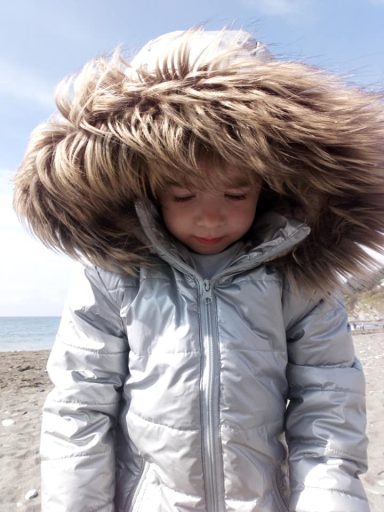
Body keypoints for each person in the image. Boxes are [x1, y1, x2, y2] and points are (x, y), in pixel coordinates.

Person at [13, 28, 384, 512]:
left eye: (236, 194)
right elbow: (79, 404)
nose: (210, 217)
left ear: (271, 186)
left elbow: (328, 407)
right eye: (183, 194)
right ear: (144, 186)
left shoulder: (299, 278)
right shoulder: (112, 276)